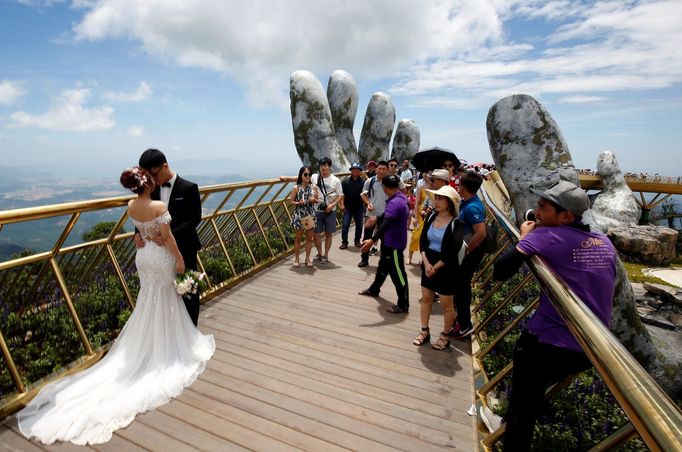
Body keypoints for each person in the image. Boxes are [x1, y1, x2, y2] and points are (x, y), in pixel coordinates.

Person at [17, 167, 215, 445]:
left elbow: (142, 227)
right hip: (160, 257)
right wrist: (180, 260)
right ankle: (166, 345)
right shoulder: (158, 204)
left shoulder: (131, 204)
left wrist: (143, 235)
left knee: (148, 301)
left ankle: (149, 343)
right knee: (165, 299)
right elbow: (167, 238)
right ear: (148, 183)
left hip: (143, 257)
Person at [492, 180, 617, 451]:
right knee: (533, 404)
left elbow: (499, 271)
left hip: (547, 344)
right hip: (590, 347)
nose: (536, 211)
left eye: (542, 207)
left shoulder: (547, 236)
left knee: (521, 412)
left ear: (565, 217)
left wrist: (525, 237)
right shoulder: (604, 243)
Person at [137, 148, 203, 326]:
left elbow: (195, 218)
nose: (151, 179)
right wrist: (138, 233)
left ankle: (191, 332)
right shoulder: (151, 189)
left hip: (184, 247)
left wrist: (169, 235)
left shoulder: (189, 188)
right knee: (165, 296)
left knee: (188, 291)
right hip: (159, 253)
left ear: (165, 166)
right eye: (146, 176)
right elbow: (144, 213)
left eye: (153, 173)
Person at [413, 185, 464, 350]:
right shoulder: (430, 216)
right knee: (426, 298)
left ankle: (445, 335)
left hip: (446, 267)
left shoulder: (457, 223)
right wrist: (426, 262)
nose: (437, 201)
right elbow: (423, 242)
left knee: (447, 305)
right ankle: (424, 331)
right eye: (436, 198)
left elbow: (453, 250)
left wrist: (435, 267)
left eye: (441, 198)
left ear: (450, 202)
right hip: (429, 262)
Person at [358, 175, 410, 313]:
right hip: (390, 241)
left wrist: (372, 240)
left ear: (384, 187)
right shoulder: (401, 197)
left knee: (398, 273)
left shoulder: (394, 203)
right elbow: (388, 217)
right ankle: (374, 289)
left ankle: (403, 303)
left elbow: (387, 223)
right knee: (383, 267)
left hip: (394, 243)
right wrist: (377, 217)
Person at [450, 171, 487, 339]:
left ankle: (465, 325)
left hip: (470, 253)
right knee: (460, 286)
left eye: (459, 185)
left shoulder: (473, 207)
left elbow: (481, 233)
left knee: (462, 287)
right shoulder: (468, 202)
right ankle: (461, 319)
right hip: (465, 251)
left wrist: (467, 250)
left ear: (463, 187)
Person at [311, 157, 343, 264]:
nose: (323, 168)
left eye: (325, 165)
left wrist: (332, 205)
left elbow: (340, 195)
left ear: (329, 167)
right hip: (317, 209)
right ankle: (319, 253)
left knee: (328, 234)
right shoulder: (315, 177)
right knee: (316, 234)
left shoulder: (335, 180)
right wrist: (286, 179)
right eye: (321, 165)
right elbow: (302, 179)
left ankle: (326, 255)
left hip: (330, 210)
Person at [289, 166, 318, 267]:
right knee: (298, 238)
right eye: (305, 174)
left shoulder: (314, 187)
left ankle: (307, 258)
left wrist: (313, 200)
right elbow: (291, 201)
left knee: (309, 238)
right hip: (299, 215)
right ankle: (297, 258)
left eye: (309, 174)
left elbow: (317, 199)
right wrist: (298, 203)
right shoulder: (296, 188)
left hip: (310, 215)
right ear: (301, 175)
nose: (308, 176)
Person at [340, 162, 366, 249]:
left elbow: (366, 194)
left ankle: (357, 241)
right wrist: (342, 205)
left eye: (357, 169)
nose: (355, 171)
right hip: (348, 207)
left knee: (359, 225)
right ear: (351, 170)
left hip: (359, 207)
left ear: (360, 171)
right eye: (353, 169)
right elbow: (341, 194)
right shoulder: (345, 182)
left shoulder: (363, 182)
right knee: (345, 225)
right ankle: (344, 242)